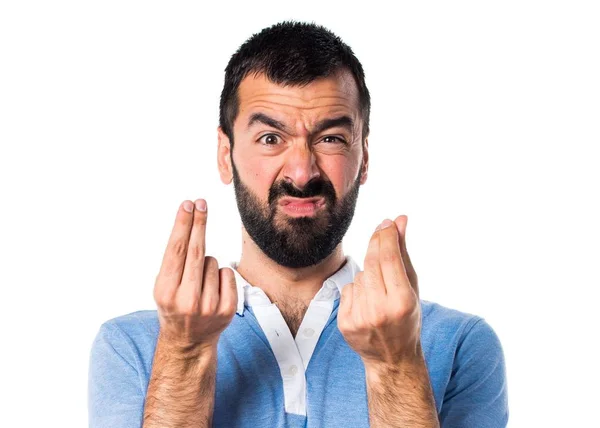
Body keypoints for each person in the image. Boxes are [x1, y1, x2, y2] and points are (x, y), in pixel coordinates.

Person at [88, 20, 508, 428]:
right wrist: (184, 352)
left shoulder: (459, 344)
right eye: (271, 139)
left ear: (364, 156)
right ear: (224, 153)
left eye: (330, 139)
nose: (302, 172)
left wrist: (396, 366)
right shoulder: (133, 349)